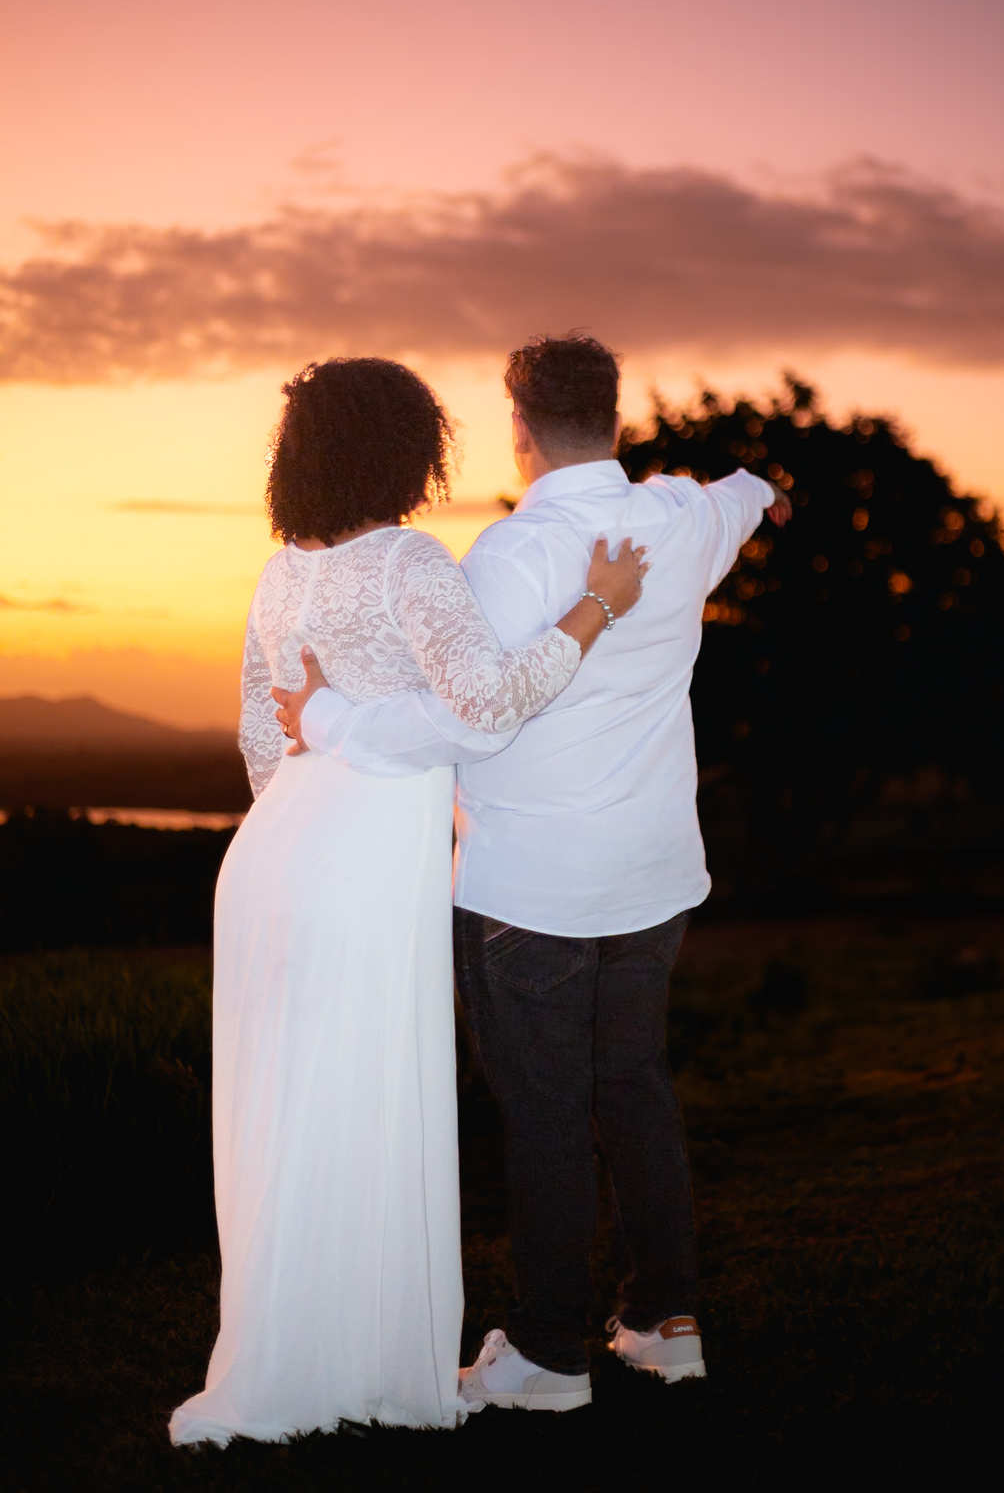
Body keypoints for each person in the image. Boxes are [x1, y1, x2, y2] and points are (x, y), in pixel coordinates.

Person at [277, 334, 791, 1412]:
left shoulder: (507, 558)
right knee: (634, 1086)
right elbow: (747, 494)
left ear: (518, 427)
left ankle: (552, 1357)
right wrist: (769, 494)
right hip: (652, 877)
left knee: (548, 1112)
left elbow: (463, 717)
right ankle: (666, 1323)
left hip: (532, 890)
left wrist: (322, 718)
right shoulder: (682, 516)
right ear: (615, 417)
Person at [169, 356, 646, 1447]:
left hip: (271, 863)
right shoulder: (409, 562)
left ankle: (291, 1357)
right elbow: (487, 709)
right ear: (407, 448)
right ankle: (364, 1367)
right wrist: (595, 610)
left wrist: (313, 814)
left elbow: (259, 743)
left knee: (291, 1122)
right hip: (365, 873)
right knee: (368, 1108)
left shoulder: (279, 573)